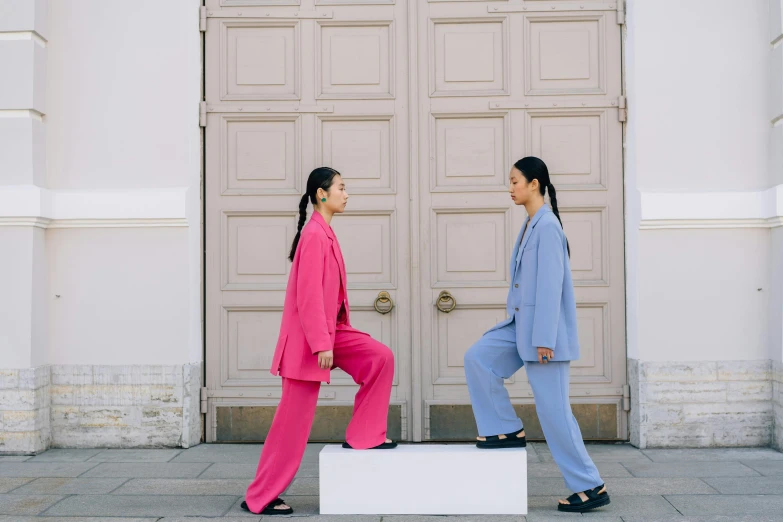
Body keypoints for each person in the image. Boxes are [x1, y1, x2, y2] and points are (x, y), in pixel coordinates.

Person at [242, 167, 397, 516]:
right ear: (321, 194)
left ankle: (365, 435)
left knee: (379, 358)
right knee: (291, 426)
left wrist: (333, 336)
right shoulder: (314, 234)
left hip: (332, 332)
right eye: (341, 188)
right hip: (309, 344)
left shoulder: (324, 232)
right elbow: (308, 296)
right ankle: (261, 496)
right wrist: (321, 344)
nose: (346, 193)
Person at [463, 157, 611, 513]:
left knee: (555, 413)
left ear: (534, 183)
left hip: (543, 337)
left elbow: (550, 286)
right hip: (520, 327)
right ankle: (504, 428)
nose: (510, 187)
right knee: (478, 358)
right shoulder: (532, 224)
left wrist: (545, 338)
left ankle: (589, 485)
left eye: (515, 181)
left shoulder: (547, 227)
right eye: (510, 181)